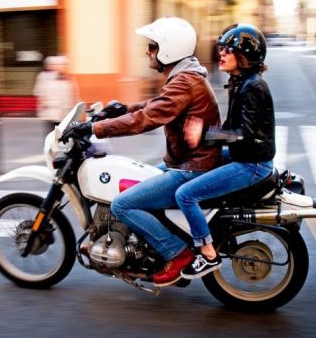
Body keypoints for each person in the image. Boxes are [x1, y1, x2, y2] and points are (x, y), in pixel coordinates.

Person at [61, 16, 221, 287]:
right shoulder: (186, 77)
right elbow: (154, 106)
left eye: (152, 46)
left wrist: (93, 128)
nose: (147, 51)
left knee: (123, 203)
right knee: (132, 184)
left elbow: (145, 120)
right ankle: (140, 245)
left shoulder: (185, 82)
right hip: (186, 162)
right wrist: (123, 108)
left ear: (169, 49)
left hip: (190, 168)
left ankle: (176, 254)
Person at [178, 23, 276, 279]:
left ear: (243, 55)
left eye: (228, 49)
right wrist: (202, 138)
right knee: (183, 164)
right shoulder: (241, 82)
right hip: (243, 158)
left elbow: (244, 134)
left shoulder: (253, 87)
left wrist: (204, 135)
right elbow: (232, 130)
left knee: (186, 195)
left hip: (251, 165)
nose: (220, 53)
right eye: (221, 48)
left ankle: (207, 253)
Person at [34, 55, 78, 133]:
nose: (64, 67)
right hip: (52, 113)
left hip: (66, 113)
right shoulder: (45, 77)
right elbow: (39, 92)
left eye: (66, 65)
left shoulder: (69, 78)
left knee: (65, 136)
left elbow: (73, 95)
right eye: (63, 65)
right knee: (53, 136)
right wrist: (44, 104)